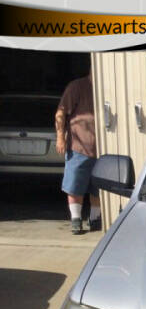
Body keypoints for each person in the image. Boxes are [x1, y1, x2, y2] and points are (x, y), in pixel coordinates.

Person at [55, 72, 101, 234]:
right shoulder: (77, 86)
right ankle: (76, 220)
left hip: (102, 148)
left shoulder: (107, 85)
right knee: (75, 185)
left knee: (98, 186)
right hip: (78, 147)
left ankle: (95, 219)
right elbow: (60, 113)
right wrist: (60, 137)